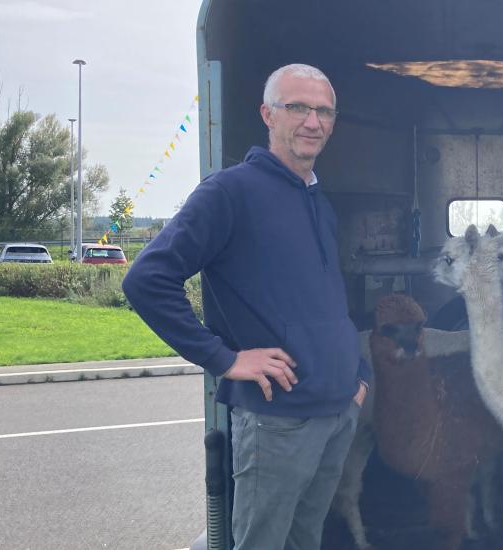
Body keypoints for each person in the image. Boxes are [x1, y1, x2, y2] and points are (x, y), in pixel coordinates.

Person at [123, 63, 371, 550]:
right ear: (267, 114)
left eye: (323, 111)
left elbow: (326, 299)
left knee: (307, 539)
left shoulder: (317, 199)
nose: (312, 122)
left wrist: (358, 376)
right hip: (278, 419)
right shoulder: (229, 192)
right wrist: (225, 359)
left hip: (337, 411)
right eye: (297, 107)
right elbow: (147, 280)